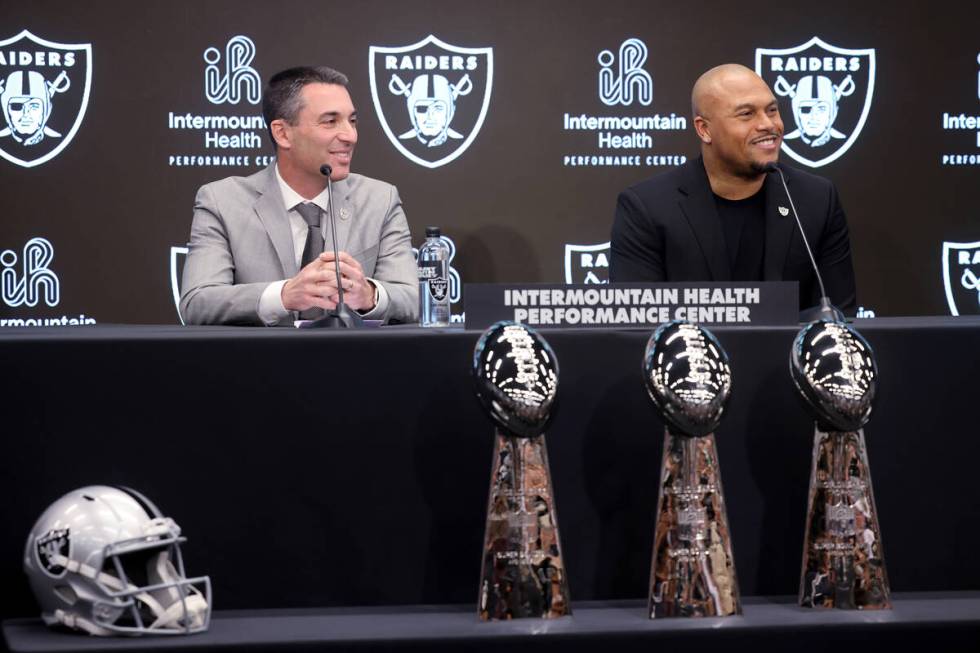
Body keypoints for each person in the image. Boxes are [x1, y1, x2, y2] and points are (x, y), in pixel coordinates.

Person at [609, 64, 856, 314]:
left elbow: (836, 317)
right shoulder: (648, 207)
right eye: (747, 114)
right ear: (704, 129)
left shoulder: (816, 199)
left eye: (772, 110)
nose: (768, 124)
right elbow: (637, 325)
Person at [180, 66, 418, 325]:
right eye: (330, 121)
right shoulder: (222, 201)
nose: (350, 135)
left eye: (352, 121)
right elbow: (197, 302)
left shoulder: (379, 200)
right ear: (283, 133)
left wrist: (368, 294)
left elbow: (413, 299)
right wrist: (284, 296)